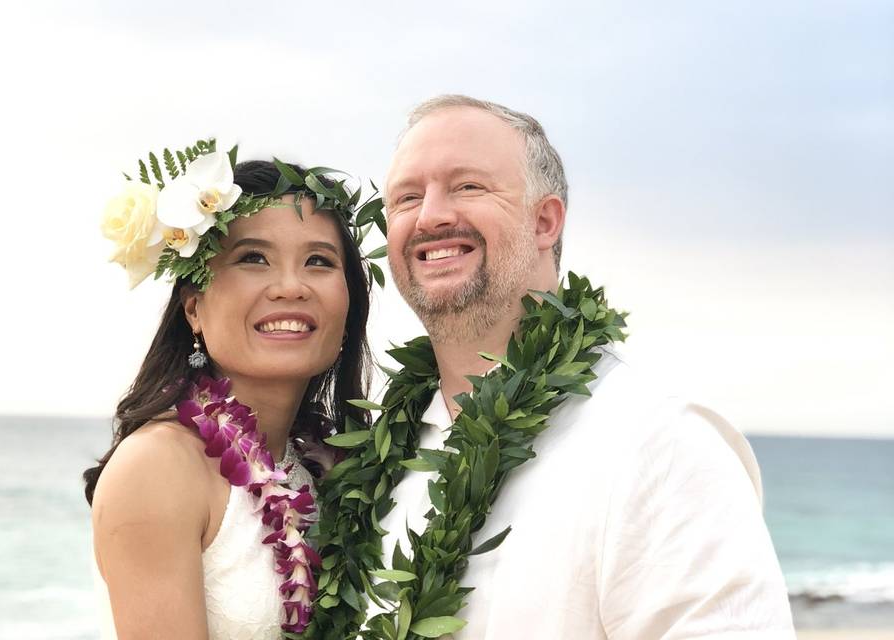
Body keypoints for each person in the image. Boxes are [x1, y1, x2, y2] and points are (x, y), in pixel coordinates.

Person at [312, 95, 795, 639]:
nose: (431, 215)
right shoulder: (375, 465)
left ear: (544, 222)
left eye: (468, 186)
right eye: (406, 197)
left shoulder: (659, 444)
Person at [84, 152, 376, 639]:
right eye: (254, 258)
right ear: (193, 307)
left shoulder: (336, 466)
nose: (291, 286)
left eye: (319, 261)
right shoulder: (159, 466)